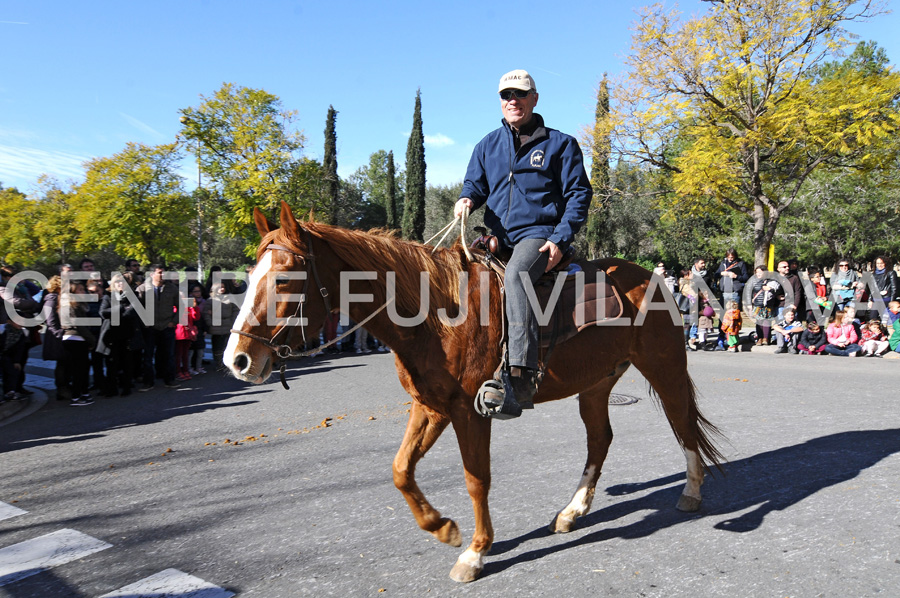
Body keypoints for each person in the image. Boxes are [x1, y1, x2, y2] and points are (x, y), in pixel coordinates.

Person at [455, 69, 591, 415]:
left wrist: (560, 238)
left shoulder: (560, 144)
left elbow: (578, 194)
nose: (512, 101)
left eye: (519, 94)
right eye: (506, 96)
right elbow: (475, 184)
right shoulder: (486, 145)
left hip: (538, 236)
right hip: (498, 238)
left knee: (516, 275)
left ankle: (520, 376)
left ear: (534, 98)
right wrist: (467, 198)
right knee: (451, 269)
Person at [136, 265, 180, 390]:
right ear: (151, 274)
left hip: (167, 326)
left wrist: (174, 322)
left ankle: (169, 380)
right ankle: (148, 382)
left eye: (164, 273)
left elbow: (180, 306)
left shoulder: (172, 288)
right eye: (160, 273)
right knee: (148, 356)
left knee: (169, 355)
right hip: (150, 328)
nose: (163, 275)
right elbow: (137, 308)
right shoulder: (142, 289)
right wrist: (144, 321)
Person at [100, 273, 143, 396]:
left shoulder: (133, 296)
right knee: (111, 362)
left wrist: (119, 312)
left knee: (127, 362)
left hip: (128, 334)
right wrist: (120, 308)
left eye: (122, 282)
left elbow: (132, 312)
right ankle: (111, 388)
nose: (120, 284)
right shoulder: (108, 296)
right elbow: (103, 313)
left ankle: (126, 386)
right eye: (117, 282)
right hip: (112, 335)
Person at [203, 281, 240, 370]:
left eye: (223, 287)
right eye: (220, 287)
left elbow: (235, 310)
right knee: (217, 346)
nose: (222, 289)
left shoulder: (230, 298)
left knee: (227, 345)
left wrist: (233, 321)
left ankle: (227, 362)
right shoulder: (210, 300)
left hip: (227, 324)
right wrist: (210, 322)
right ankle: (219, 363)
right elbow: (205, 313)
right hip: (216, 325)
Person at [749, 265, 779, 345]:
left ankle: (766, 338)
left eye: (760, 272)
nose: (758, 274)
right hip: (757, 304)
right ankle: (759, 338)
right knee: (759, 322)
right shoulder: (753, 281)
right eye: (757, 272)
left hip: (768, 305)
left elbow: (777, 289)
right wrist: (749, 304)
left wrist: (770, 288)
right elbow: (750, 293)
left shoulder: (771, 281)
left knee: (766, 322)